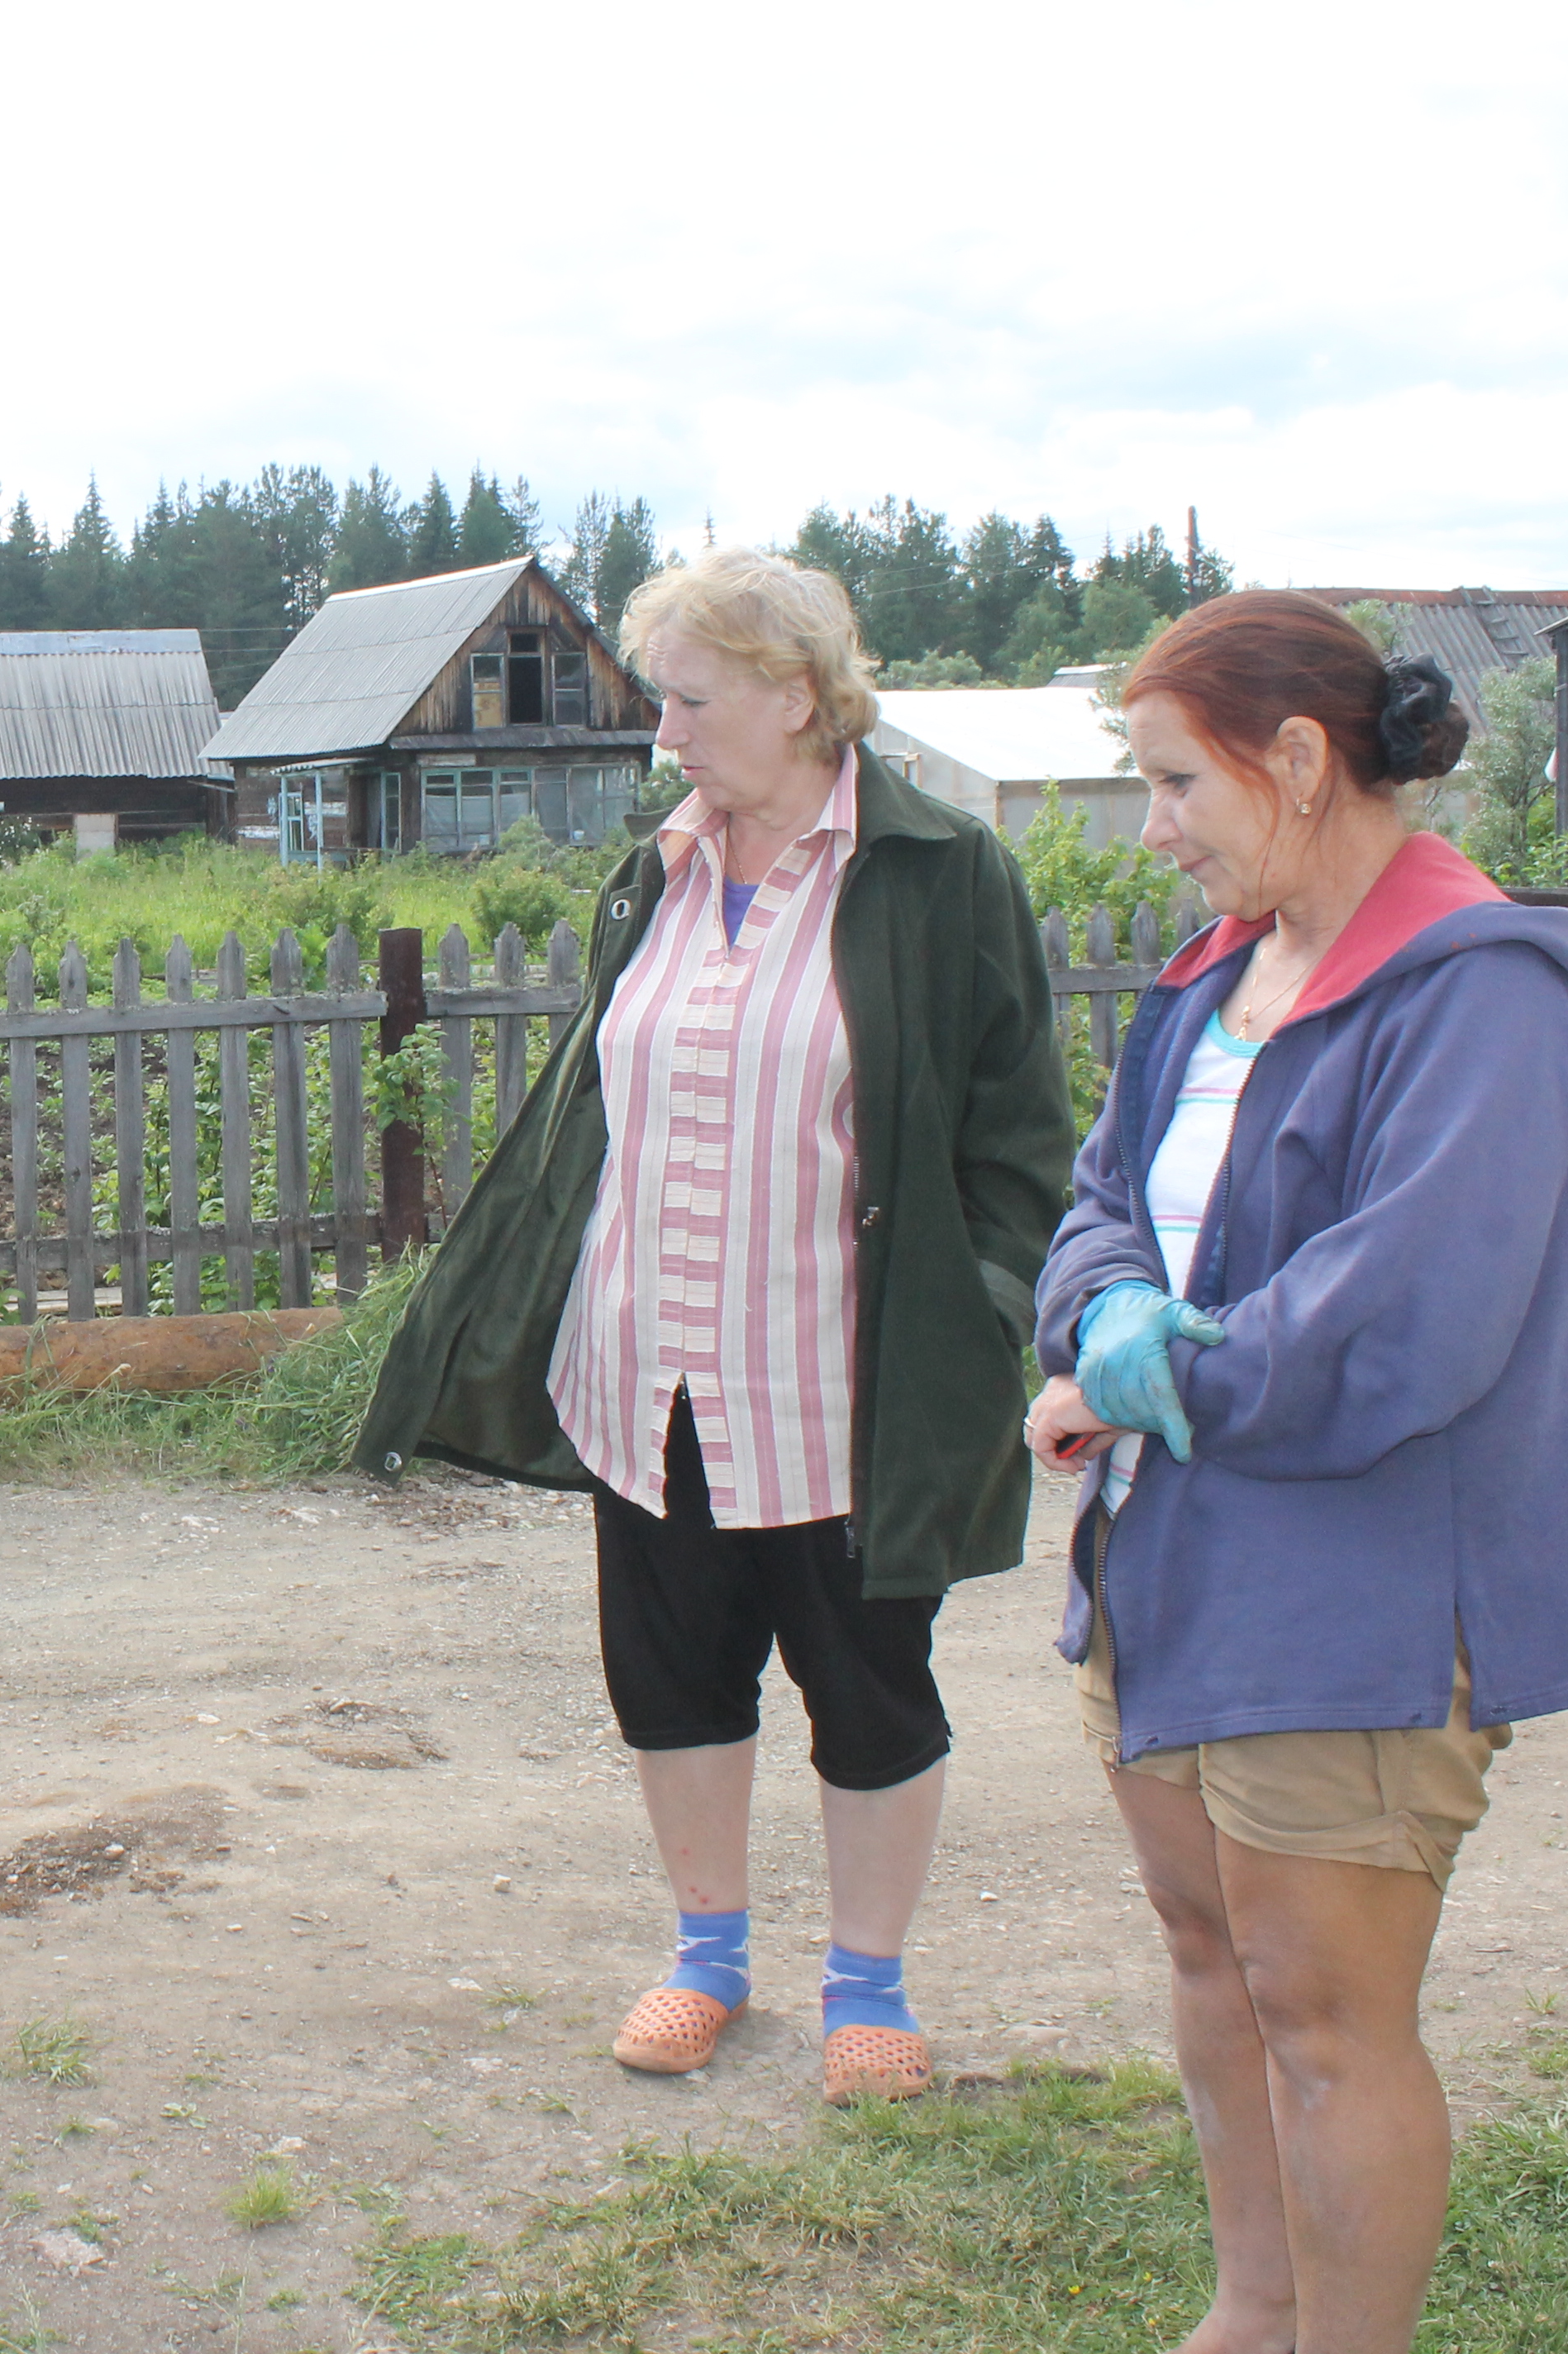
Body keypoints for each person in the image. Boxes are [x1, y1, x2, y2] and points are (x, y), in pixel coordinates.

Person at [358, 549, 1072, 2104]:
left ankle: (867, 1989)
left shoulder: (939, 873)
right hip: (648, 1374)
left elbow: (1019, 1142)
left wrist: (989, 1311)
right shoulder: (661, 867)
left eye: (688, 700)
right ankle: (707, 1960)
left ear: (798, 695)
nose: (662, 737)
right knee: (670, 1680)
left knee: (871, 1688)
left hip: (840, 1389)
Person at [1027, 592, 1568, 2354]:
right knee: (1214, 1958)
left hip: (1361, 1589)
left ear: (1294, 761)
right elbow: (1095, 1201)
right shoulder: (1216, 973)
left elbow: (1406, 1319)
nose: (1154, 829)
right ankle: (1253, 2308)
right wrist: (1109, 1309)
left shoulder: (1485, 986)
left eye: (1171, 782)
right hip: (1171, 1551)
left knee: (1328, 2007)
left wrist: (1149, 1364)